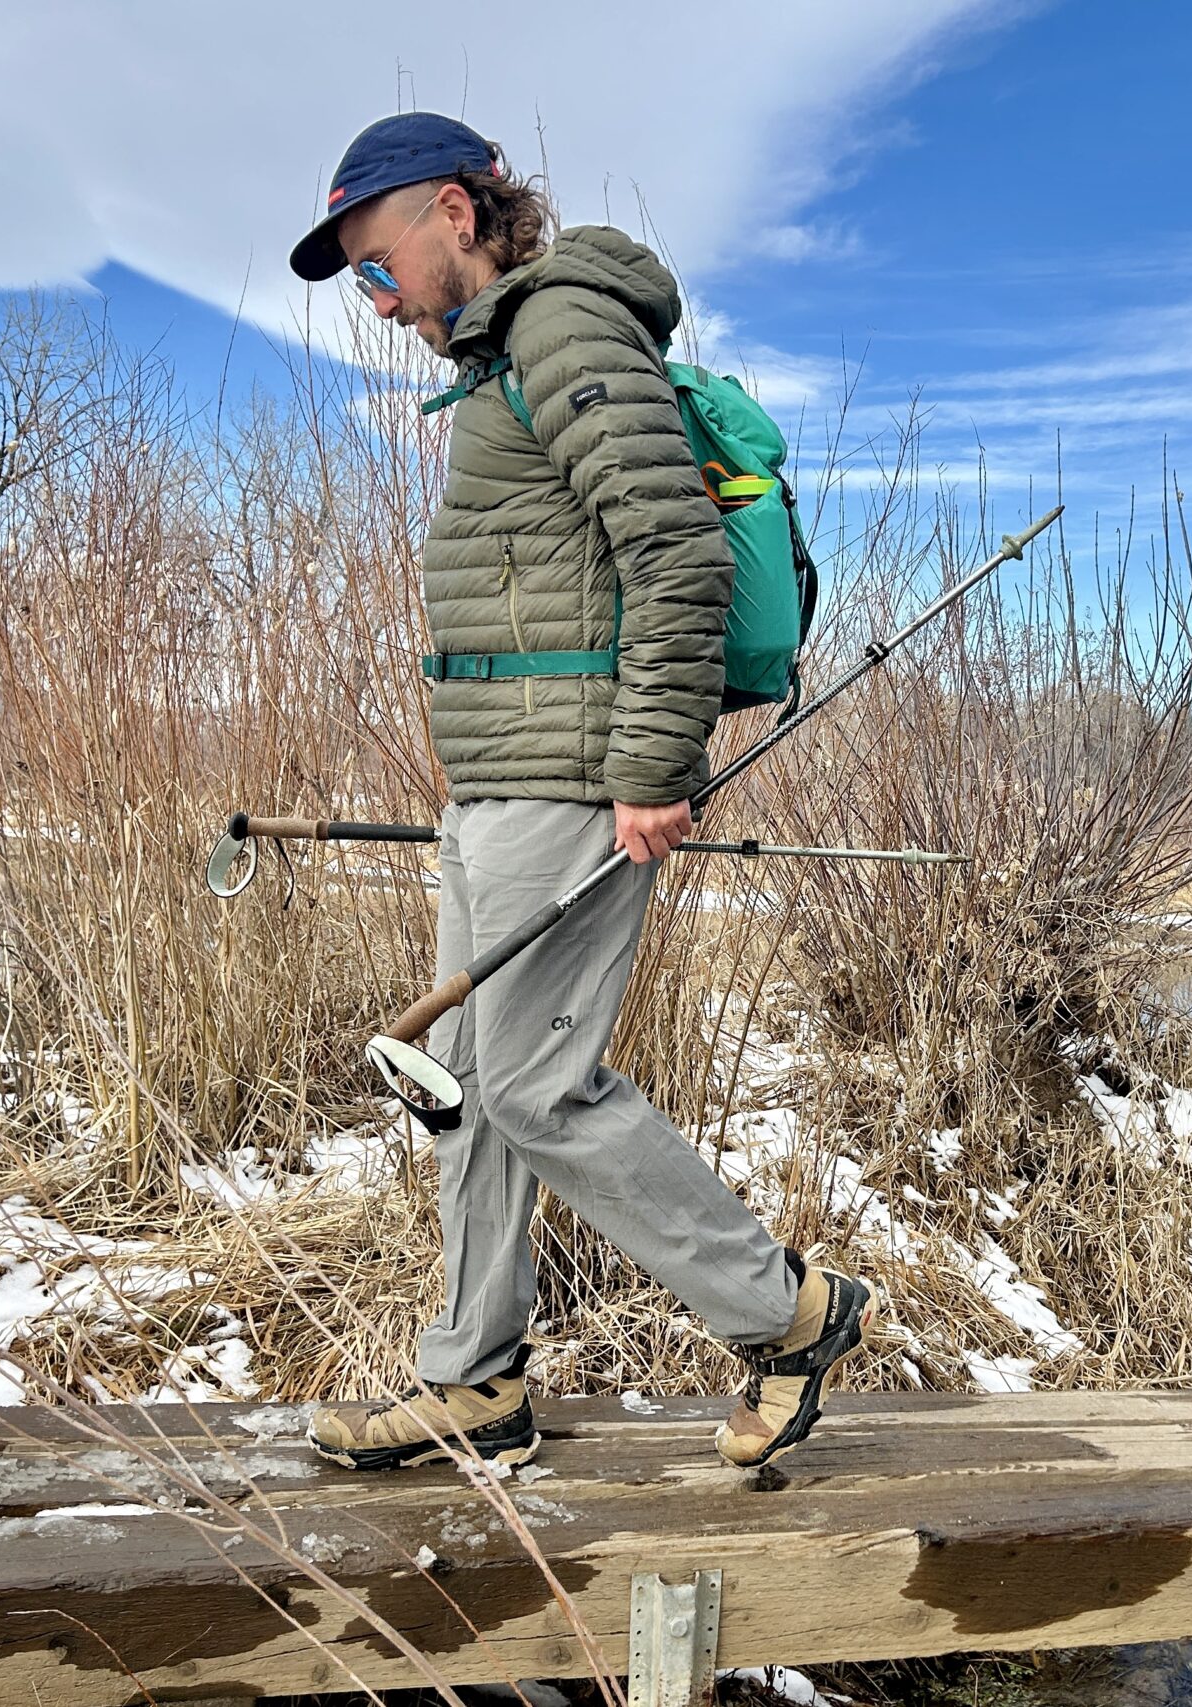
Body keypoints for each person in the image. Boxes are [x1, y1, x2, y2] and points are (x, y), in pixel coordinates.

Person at [285, 112, 874, 1473]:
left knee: (539, 1086)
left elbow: (676, 554)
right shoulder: (505, 360)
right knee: (465, 1090)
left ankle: (784, 1314)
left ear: (454, 213)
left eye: (379, 265)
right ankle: (475, 1380)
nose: (377, 303)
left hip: (573, 786)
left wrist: (656, 768)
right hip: (500, 788)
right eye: (362, 282)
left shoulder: (563, 329)